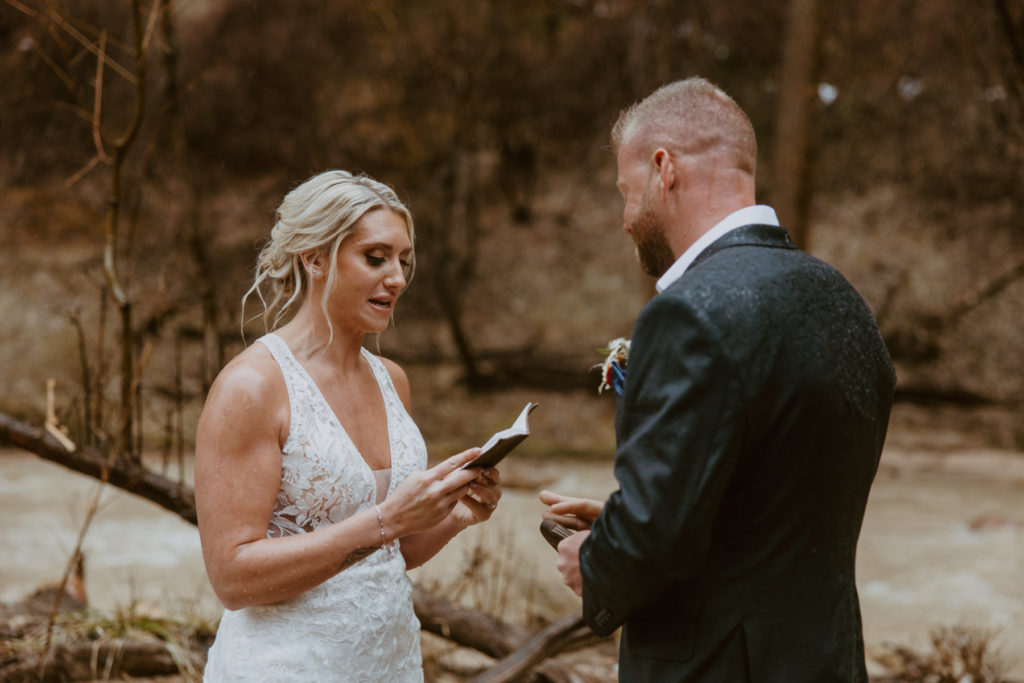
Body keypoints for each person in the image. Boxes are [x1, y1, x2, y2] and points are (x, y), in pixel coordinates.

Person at [540, 77, 896, 682]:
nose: (627, 220)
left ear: (663, 169)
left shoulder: (689, 313)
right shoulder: (842, 301)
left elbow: (654, 537)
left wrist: (596, 562)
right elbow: (774, 508)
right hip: (826, 660)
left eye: (627, 193)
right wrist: (626, 521)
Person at [195, 170, 502, 682]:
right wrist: (387, 518)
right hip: (287, 667)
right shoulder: (251, 388)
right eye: (375, 258)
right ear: (314, 258)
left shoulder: (392, 381)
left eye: (403, 261)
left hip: (391, 663)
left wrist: (455, 514)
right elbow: (232, 576)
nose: (398, 278)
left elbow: (390, 551)